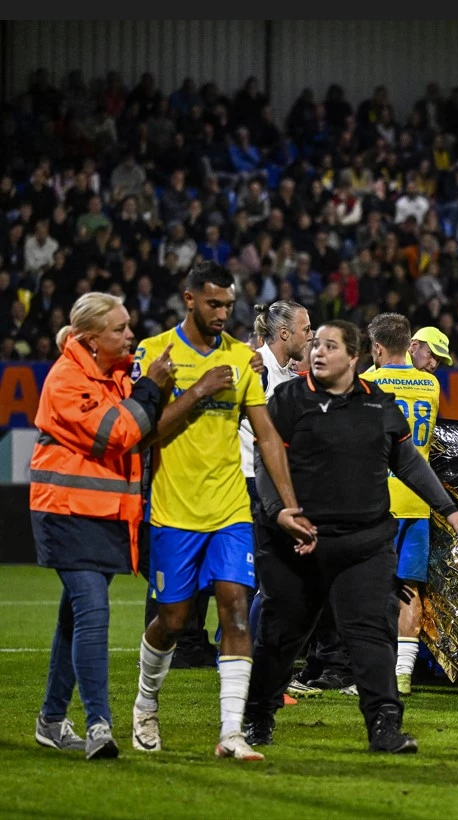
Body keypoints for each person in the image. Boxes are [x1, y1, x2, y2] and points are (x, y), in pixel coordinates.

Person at [243, 321, 458, 753]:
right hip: (296, 544)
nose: (318, 352)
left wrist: (448, 507)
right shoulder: (288, 400)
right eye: (315, 344)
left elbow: (408, 462)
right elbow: (266, 458)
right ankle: (258, 716)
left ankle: (385, 725)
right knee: (281, 635)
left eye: (330, 346)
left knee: (370, 633)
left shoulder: (378, 404)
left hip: (363, 545)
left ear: (354, 357)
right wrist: (279, 512)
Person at [131, 260, 314, 762]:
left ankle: (232, 732)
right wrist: (197, 391)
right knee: (172, 620)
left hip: (231, 506)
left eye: (228, 305)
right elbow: (144, 436)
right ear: (189, 299)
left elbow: (268, 437)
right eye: (213, 304)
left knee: (236, 605)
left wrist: (289, 503)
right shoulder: (156, 353)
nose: (221, 313)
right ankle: (146, 704)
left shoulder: (240, 357)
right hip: (174, 509)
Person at [29, 293, 174, 759]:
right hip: (67, 512)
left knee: (74, 618)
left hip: (106, 515)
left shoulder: (113, 374)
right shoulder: (67, 380)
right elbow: (117, 434)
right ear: (91, 340)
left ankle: (51, 720)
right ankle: (99, 724)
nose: (130, 334)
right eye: (119, 329)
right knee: (92, 610)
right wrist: (151, 389)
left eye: (129, 325)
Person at [360, 315, 454, 695]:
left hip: (375, 501)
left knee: (366, 588)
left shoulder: (369, 381)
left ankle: (366, 670)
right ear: (410, 345)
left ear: (379, 348)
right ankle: (402, 674)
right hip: (416, 500)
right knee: (410, 589)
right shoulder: (430, 384)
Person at [238, 301, 312, 644]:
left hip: (270, 484)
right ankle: (252, 660)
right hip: (253, 485)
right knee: (269, 579)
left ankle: (251, 657)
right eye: (306, 330)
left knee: (271, 579)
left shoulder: (284, 373)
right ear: (285, 333)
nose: (310, 336)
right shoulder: (258, 370)